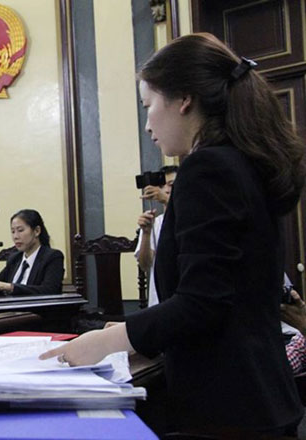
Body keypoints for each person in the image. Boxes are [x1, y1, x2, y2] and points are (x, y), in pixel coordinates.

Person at [41, 33, 306, 435]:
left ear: (183, 99)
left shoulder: (207, 168)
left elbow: (202, 302)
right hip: (260, 396)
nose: (148, 125)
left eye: (148, 106)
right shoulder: (241, 162)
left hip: (228, 405)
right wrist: (134, 331)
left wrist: (104, 342)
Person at [0, 209, 64, 296]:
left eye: (20, 230)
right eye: (13, 232)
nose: (15, 236)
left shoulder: (53, 257)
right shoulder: (15, 258)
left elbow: (49, 290)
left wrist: (11, 287)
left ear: (37, 231)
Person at [135, 165, 178, 307]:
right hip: (158, 301)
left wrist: (167, 200)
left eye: (172, 185)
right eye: (162, 185)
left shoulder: (191, 220)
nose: (166, 189)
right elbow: (145, 264)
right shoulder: (155, 222)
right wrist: (146, 234)